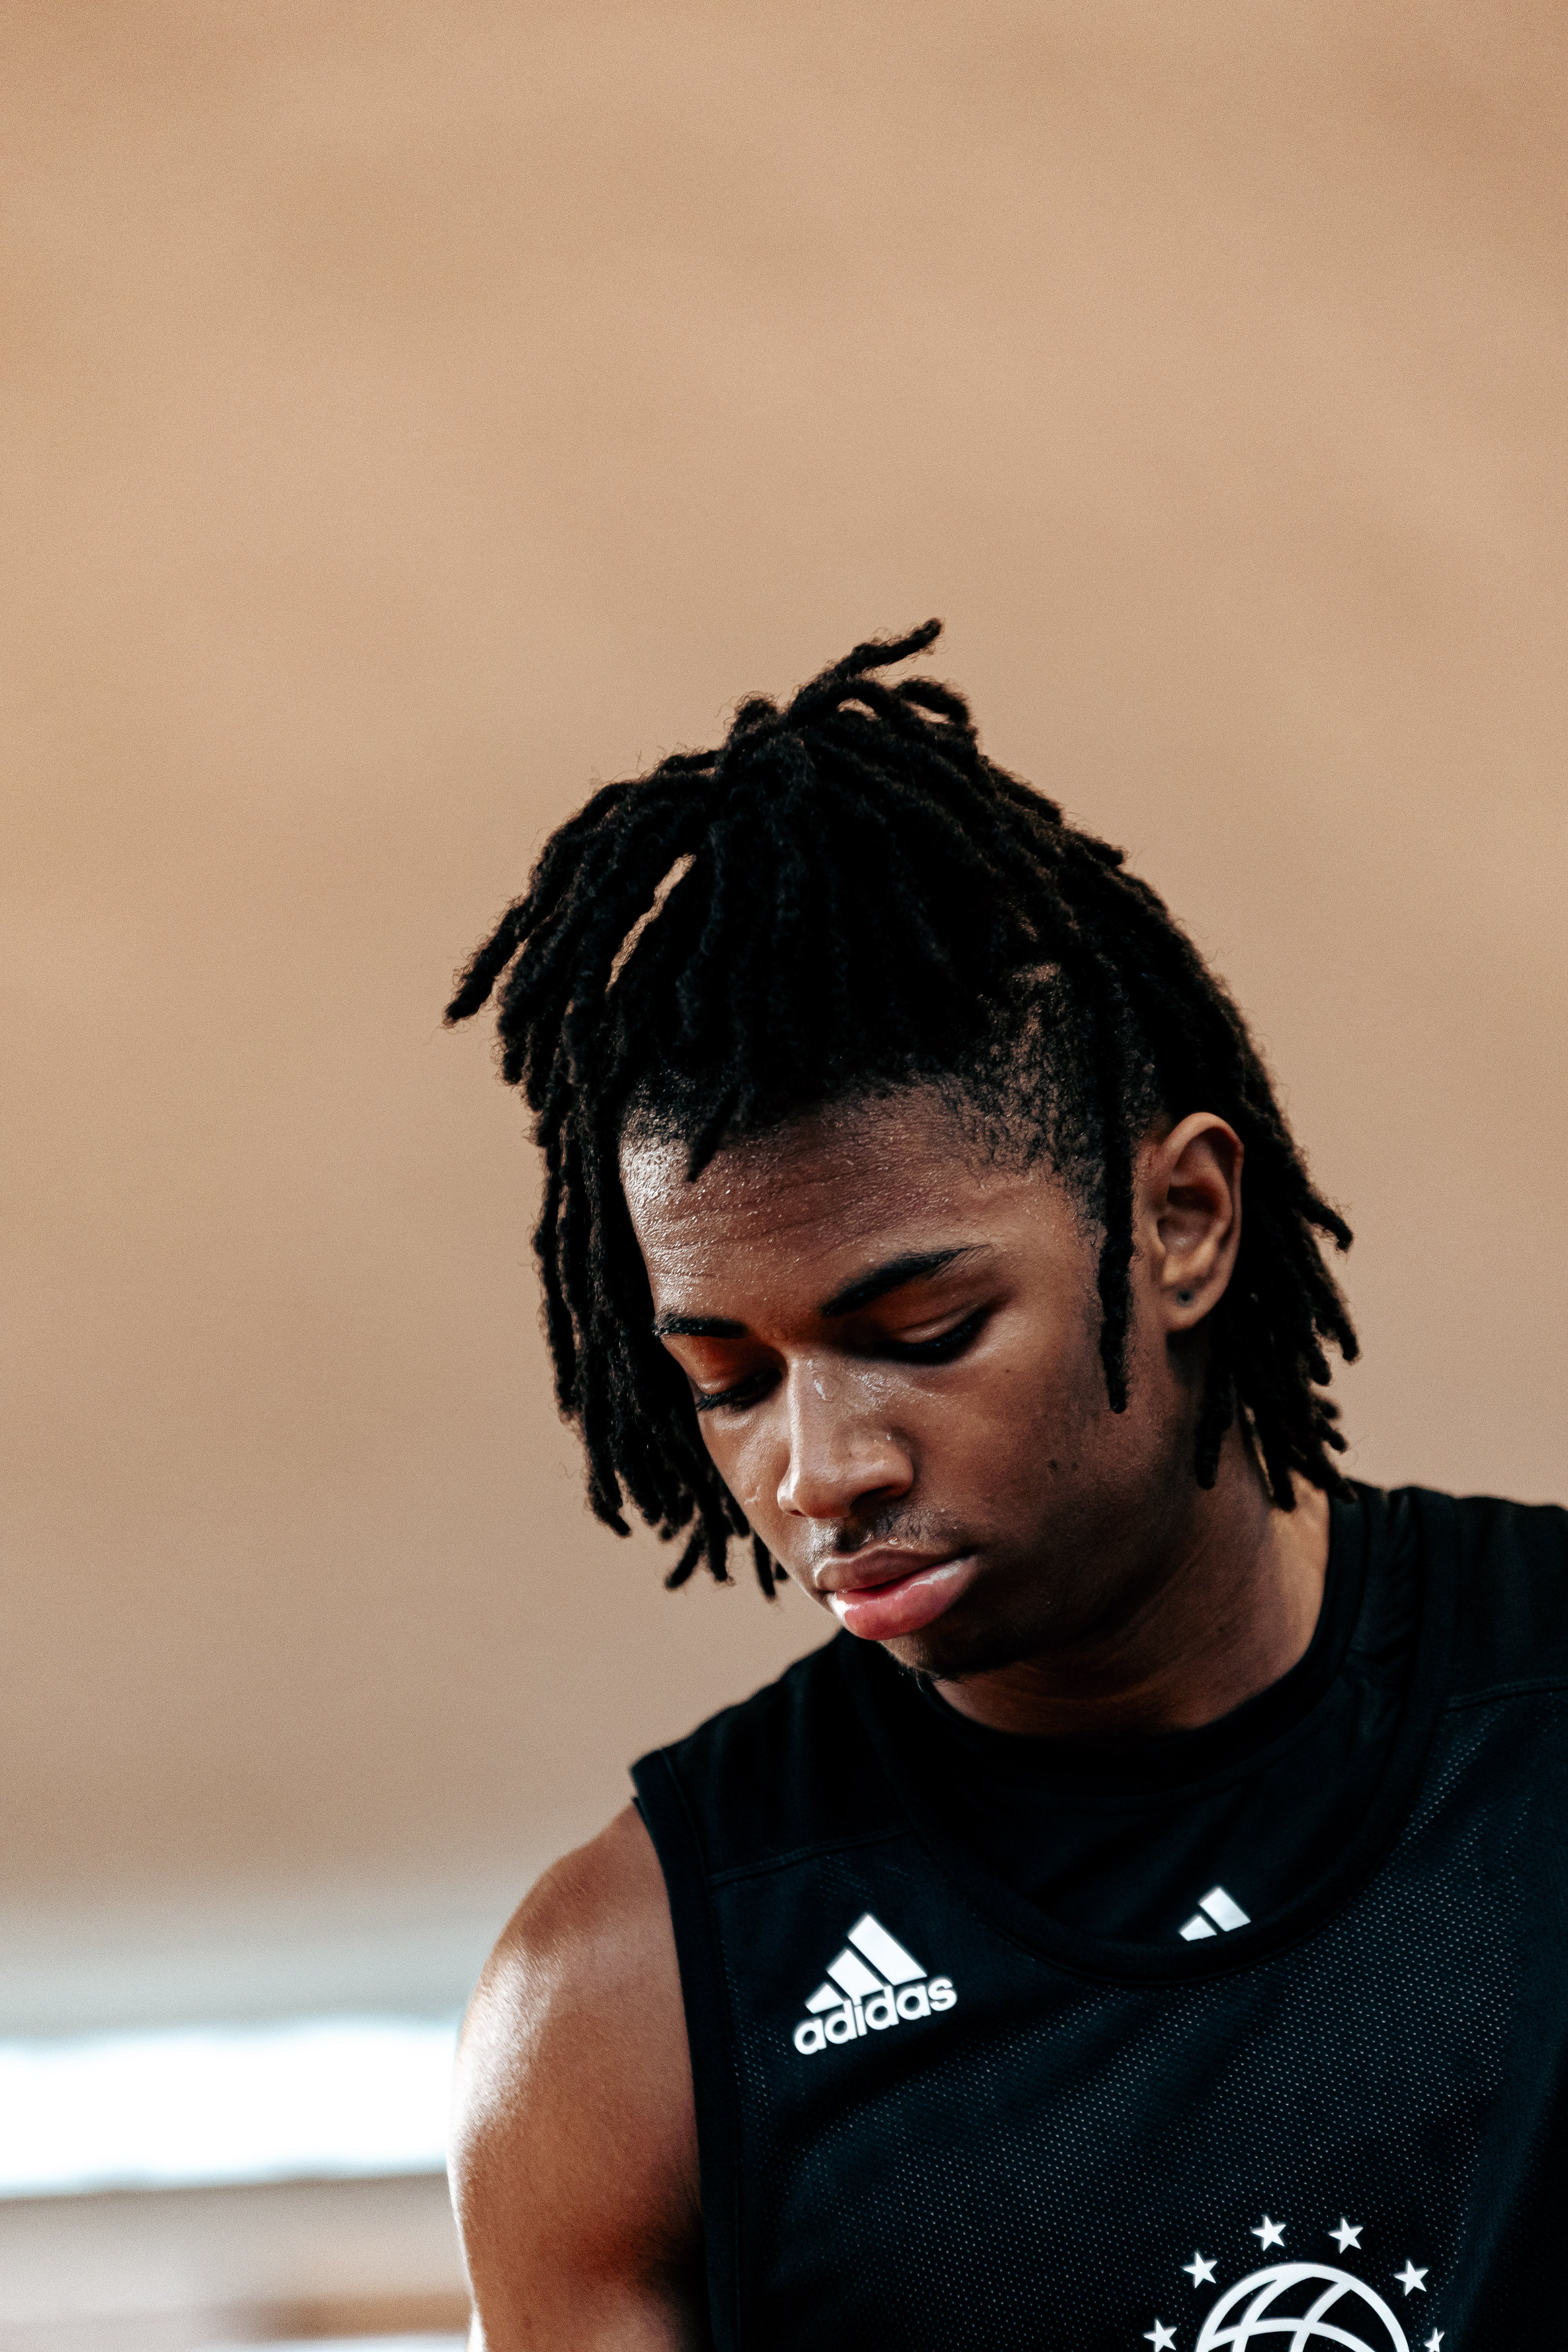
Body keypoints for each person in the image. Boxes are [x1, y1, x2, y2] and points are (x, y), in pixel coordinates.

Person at [444, 623, 1565, 2352]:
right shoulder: (628, 2006)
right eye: (727, 1383)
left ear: (1183, 1224)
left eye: (922, 1330)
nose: (819, 1470)